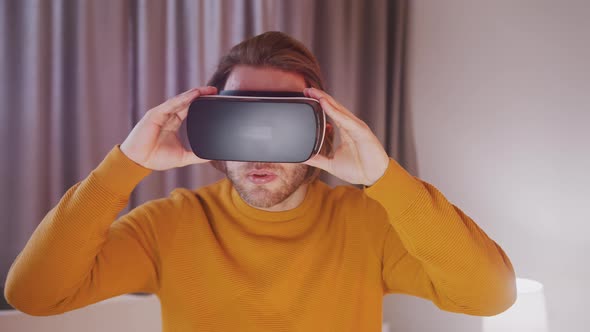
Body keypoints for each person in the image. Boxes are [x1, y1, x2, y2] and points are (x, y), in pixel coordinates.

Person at [4, 31, 516, 331]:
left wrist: (384, 177)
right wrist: (125, 165)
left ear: (321, 127)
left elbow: (489, 297)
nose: (259, 147)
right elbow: (34, 294)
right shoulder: (170, 224)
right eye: (242, 120)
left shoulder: (370, 224)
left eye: (282, 120)